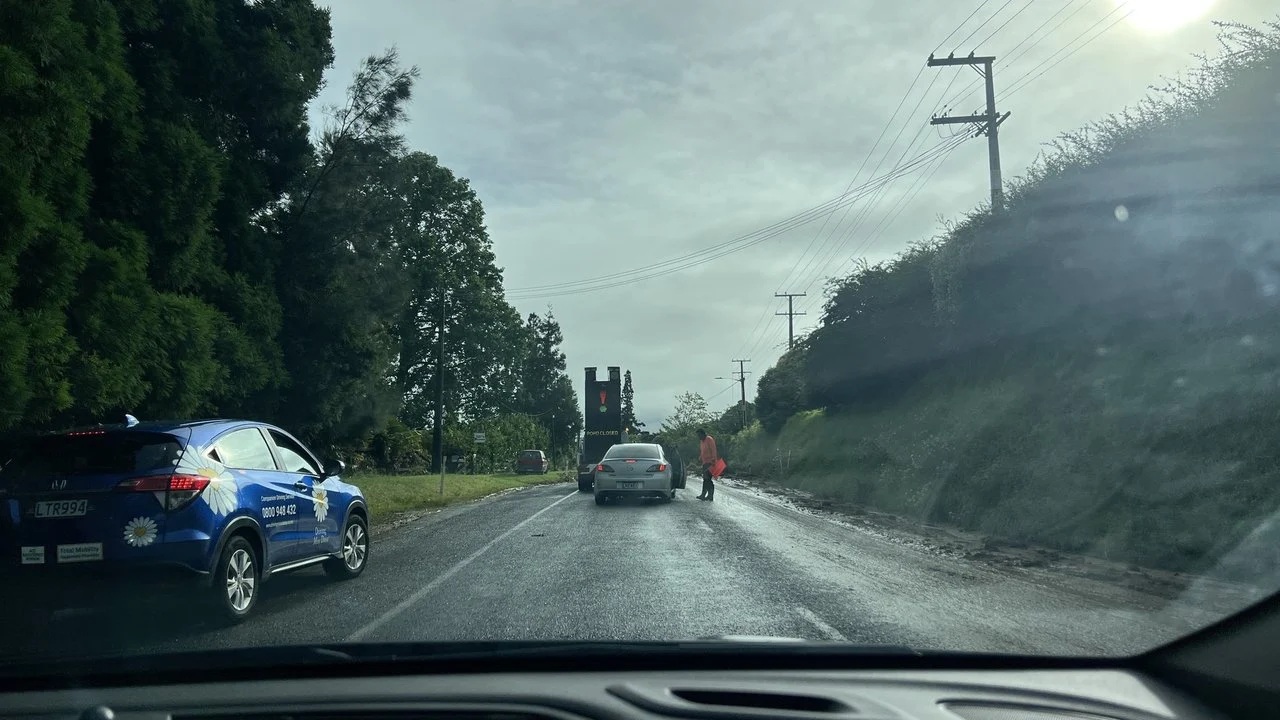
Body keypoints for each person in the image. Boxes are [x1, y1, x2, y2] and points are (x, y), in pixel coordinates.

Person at [696, 428, 718, 501]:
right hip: (705, 462)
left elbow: (713, 450)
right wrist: (700, 457)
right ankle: (706, 495)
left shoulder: (709, 439)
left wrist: (713, 460)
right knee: (706, 479)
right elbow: (703, 451)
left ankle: (708, 495)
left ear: (703, 434)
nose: (698, 437)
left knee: (707, 479)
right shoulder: (702, 441)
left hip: (710, 462)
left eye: (699, 435)